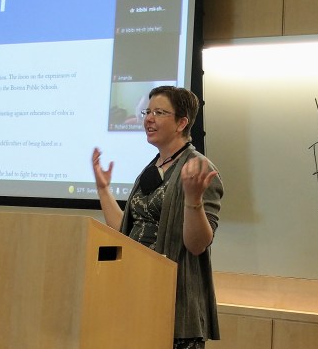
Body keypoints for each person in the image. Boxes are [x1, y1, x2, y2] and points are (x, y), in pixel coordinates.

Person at [92, 86, 223, 349]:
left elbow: (198, 244)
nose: (148, 118)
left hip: (175, 305)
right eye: (147, 111)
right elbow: (127, 232)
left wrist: (194, 201)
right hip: (137, 295)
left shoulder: (198, 169)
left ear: (182, 122)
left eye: (159, 112)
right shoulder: (150, 169)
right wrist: (103, 189)